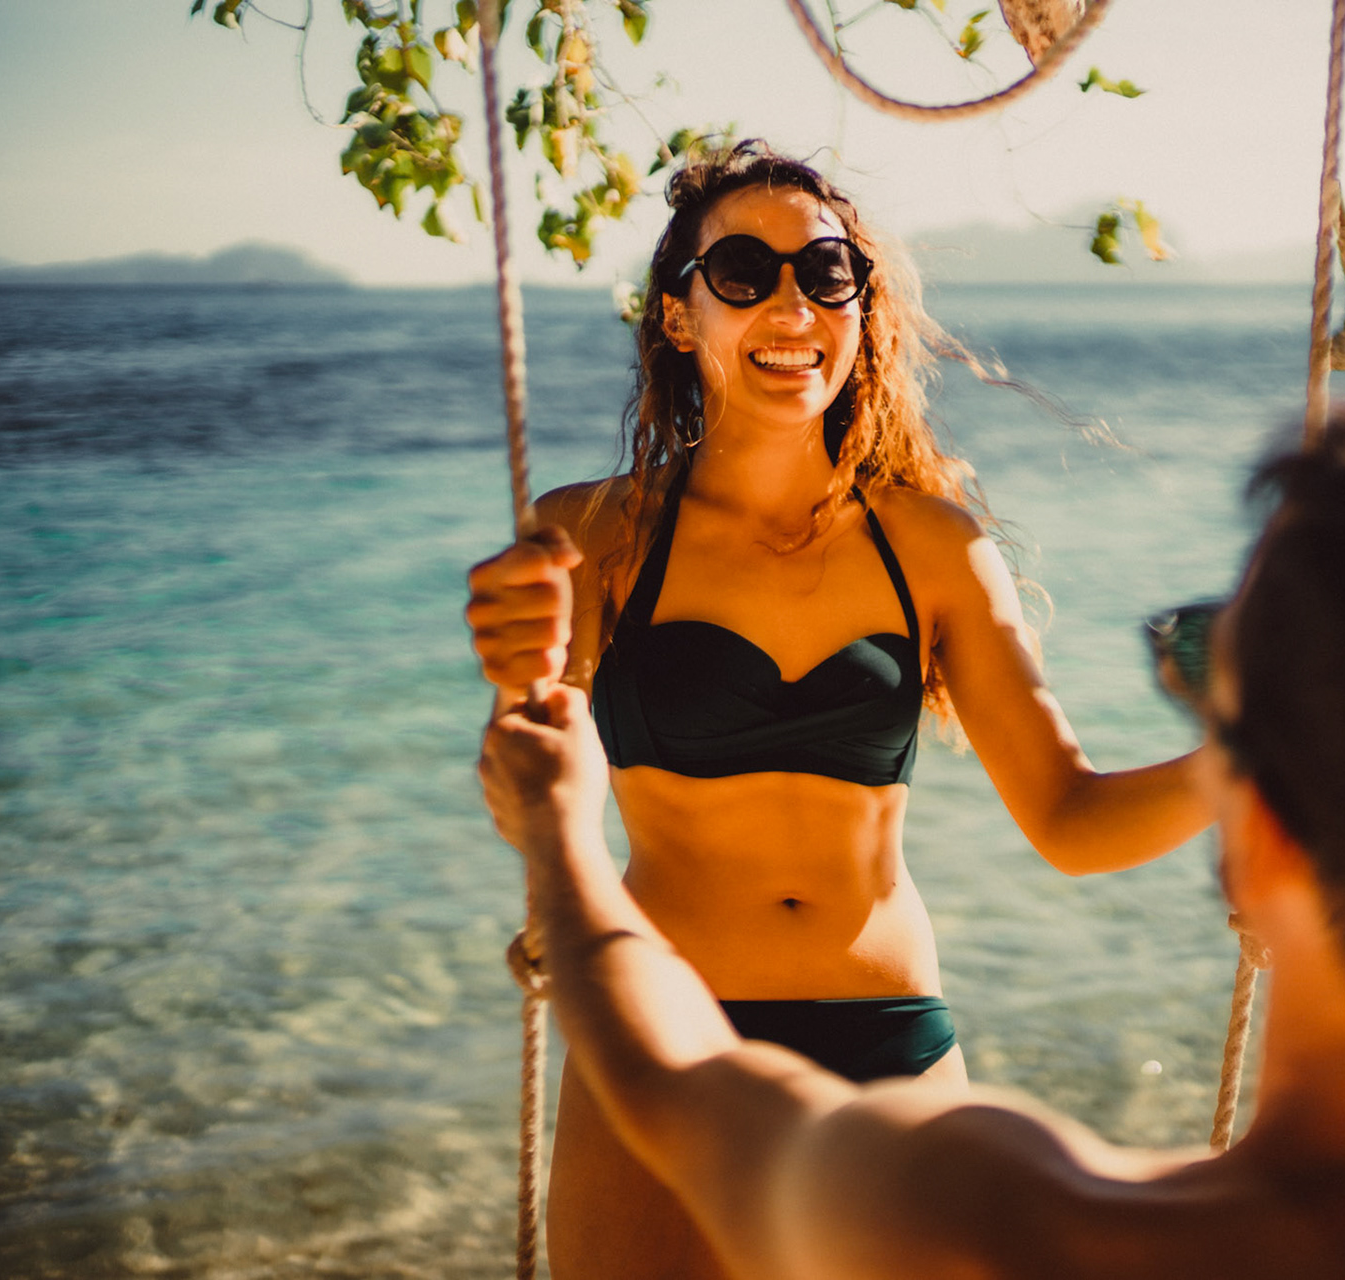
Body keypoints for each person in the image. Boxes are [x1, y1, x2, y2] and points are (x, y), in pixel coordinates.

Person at [480, 397, 1345, 1279]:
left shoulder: (1014, 1229)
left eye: (1202, 666)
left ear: (1259, 825)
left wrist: (562, 836)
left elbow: (673, 1082)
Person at [465, 140, 1213, 1278]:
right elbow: (527, 785)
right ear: (679, 316)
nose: (790, 303)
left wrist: (1255, 762)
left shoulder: (934, 545)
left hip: (886, 1039)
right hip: (659, 1026)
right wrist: (513, 665)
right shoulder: (596, 534)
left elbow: (1072, 817)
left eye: (825, 272)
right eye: (742, 272)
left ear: (860, 307)